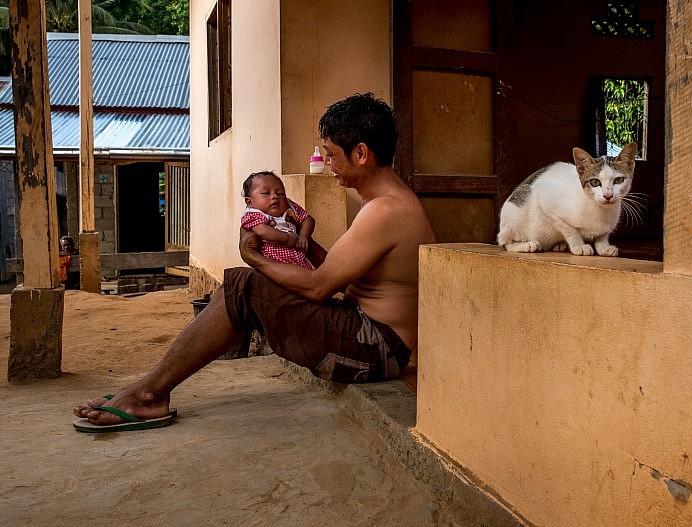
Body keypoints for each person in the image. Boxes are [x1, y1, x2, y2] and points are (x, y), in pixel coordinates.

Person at [72, 92, 437, 432]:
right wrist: (300, 242)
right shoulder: (386, 202)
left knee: (244, 284)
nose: (327, 164)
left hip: (376, 349)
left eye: (330, 153)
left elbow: (320, 285)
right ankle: (148, 388)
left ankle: (149, 395)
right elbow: (340, 274)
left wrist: (253, 257)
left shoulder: (386, 209)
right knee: (244, 285)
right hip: (368, 334)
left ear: (360, 154)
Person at [240, 171, 315, 270]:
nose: (275, 196)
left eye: (281, 193)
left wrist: (303, 236)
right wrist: (286, 239)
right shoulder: (253, 214)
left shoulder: (289, 206)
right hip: (275, 266)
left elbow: (308, 220)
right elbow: (262, 231)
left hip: (301, 264)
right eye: (266, 193)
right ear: (249, 202)